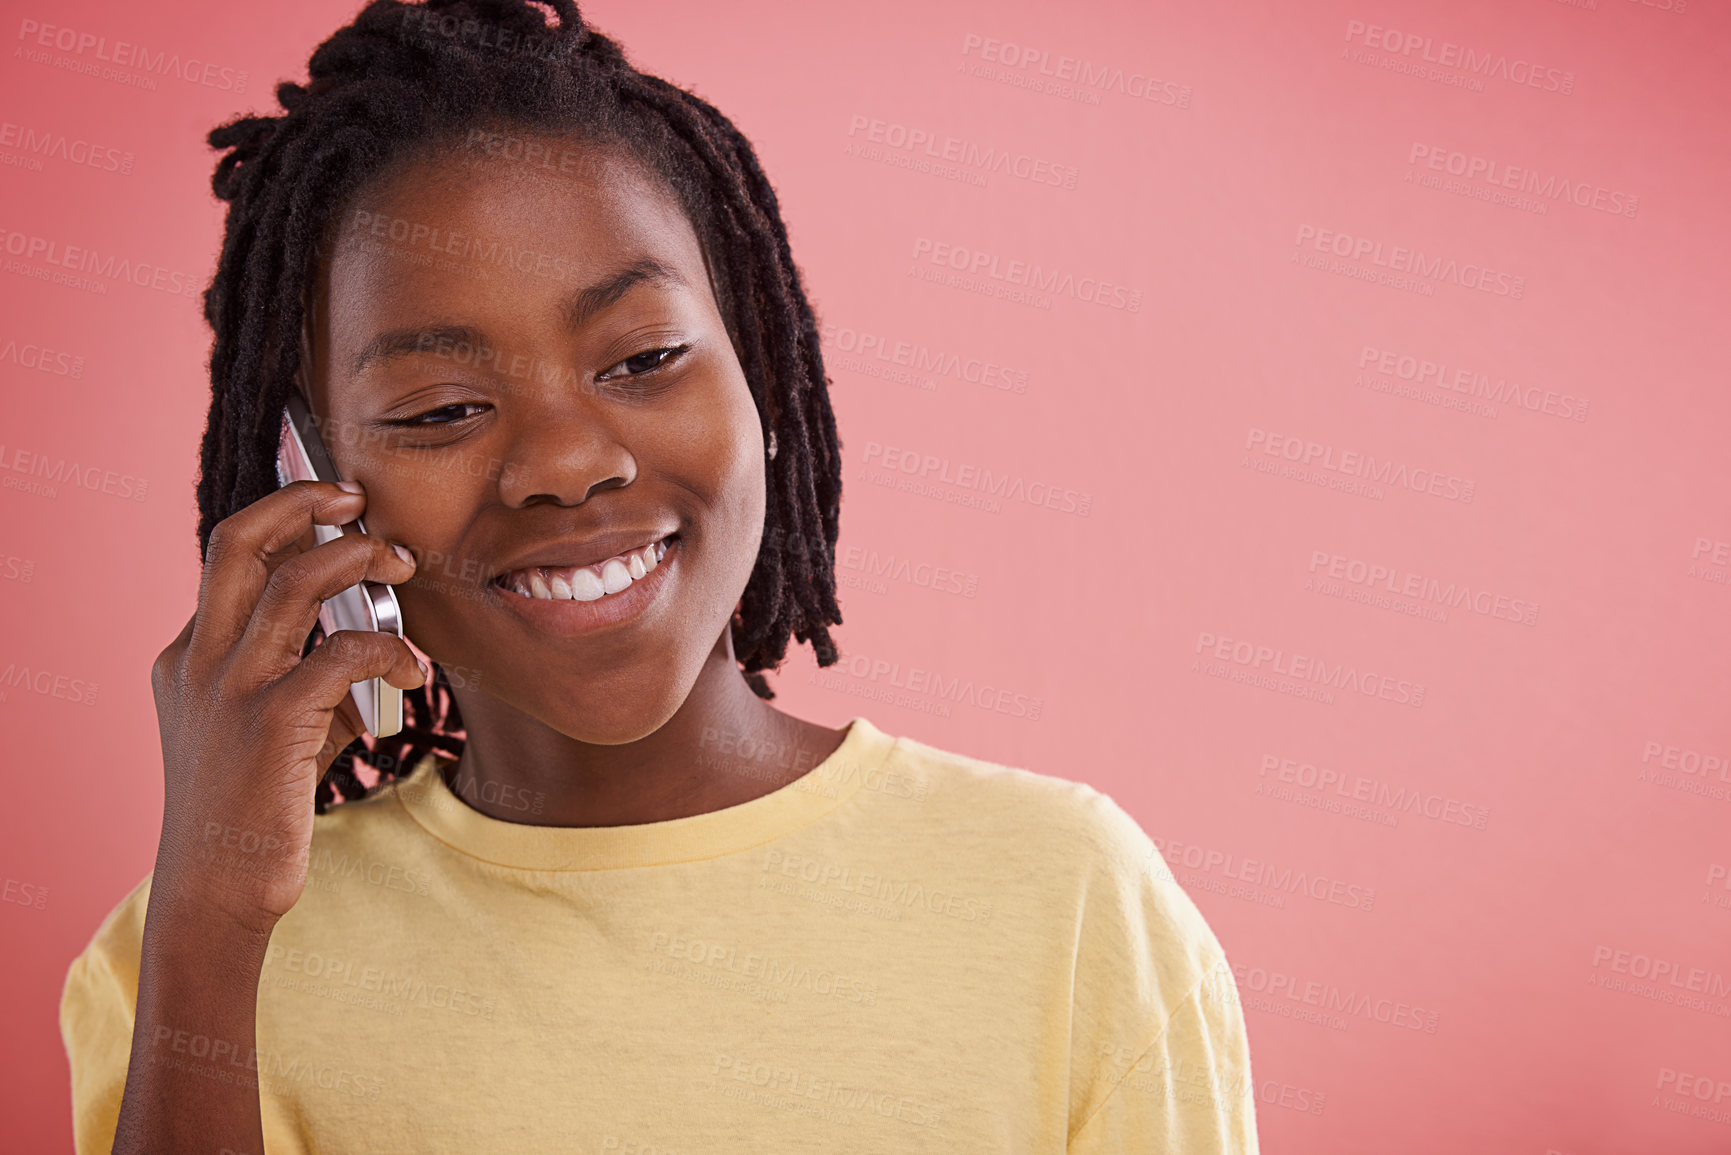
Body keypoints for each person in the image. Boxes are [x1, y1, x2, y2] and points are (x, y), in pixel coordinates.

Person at [58, 1, 1260, 1150]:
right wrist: (211, 920)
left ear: (768, 377)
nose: (570, 463)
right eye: (443, 408)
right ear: (306, 472)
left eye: (645, 357)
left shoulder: (1065, 899)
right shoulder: (190, 962)